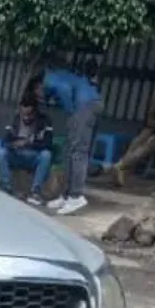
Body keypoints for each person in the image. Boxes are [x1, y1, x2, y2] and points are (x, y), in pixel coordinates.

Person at [42, 60, 103, 217]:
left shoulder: (49, 79)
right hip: (87, 103)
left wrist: (70, 112)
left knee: (78, 151)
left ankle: (76, 196)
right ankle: (66, 195)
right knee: (69, 149)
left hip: (85, 105)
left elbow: (64, 90)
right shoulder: (60, 75)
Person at [111, 79, 155, 188]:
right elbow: (152, 116)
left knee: (150, 144)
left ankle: (122, 165)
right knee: (142, 138)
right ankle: (122, 167)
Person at [0, 101, 54, 205]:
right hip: (17, 155)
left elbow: (48, 144)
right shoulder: (14, 119)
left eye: (29, 114)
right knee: (0, 153)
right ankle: (6, 187)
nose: (26, 117)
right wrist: (13, 145)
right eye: (23, 114)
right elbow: (5, 141)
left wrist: (28, 143)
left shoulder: (44, 121)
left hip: (34, 156)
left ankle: (35, 192)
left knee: (46, 155)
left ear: (35, 112)